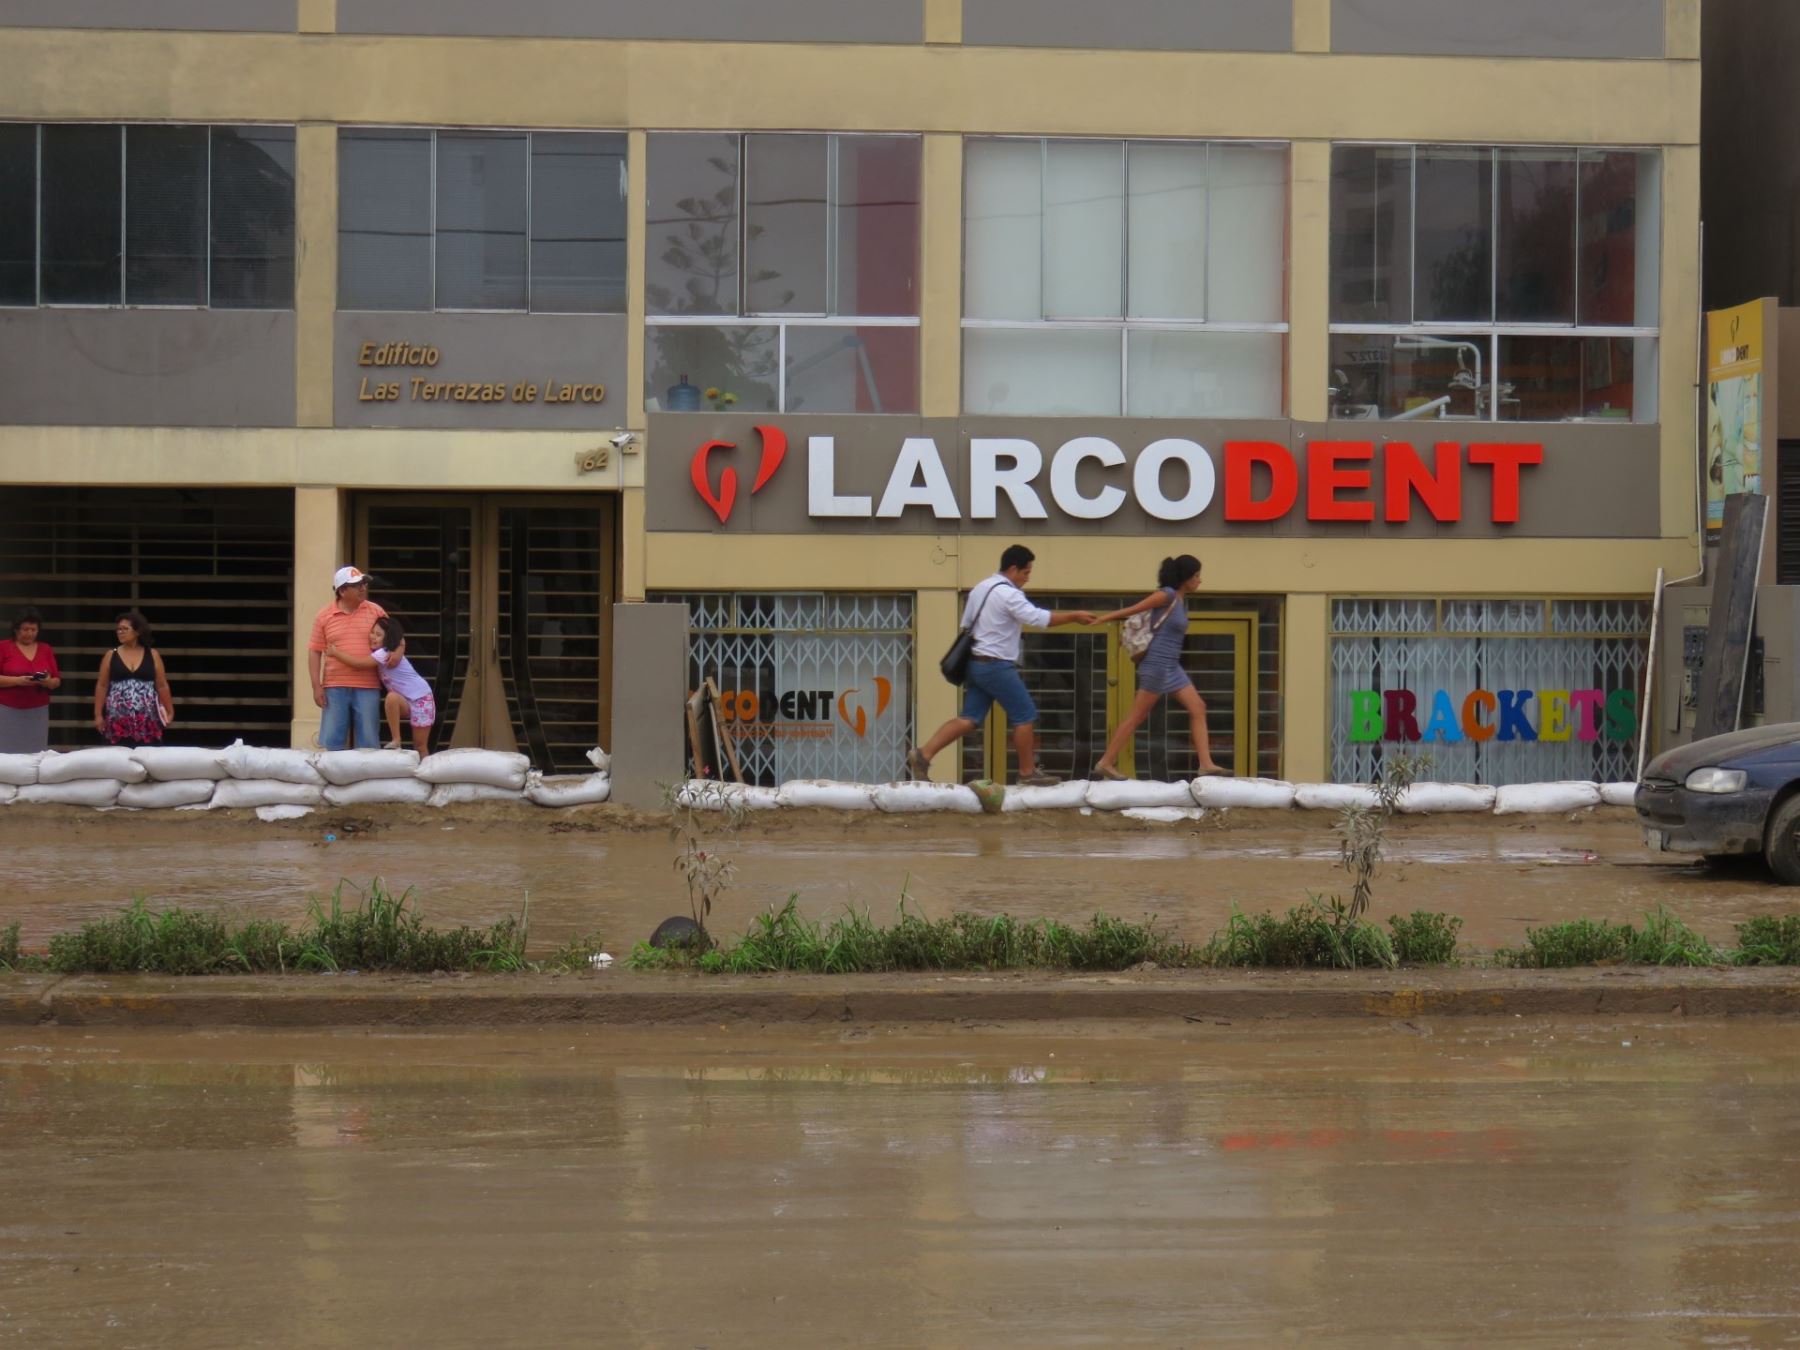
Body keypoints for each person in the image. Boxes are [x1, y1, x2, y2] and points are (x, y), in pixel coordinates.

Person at [906, 545, 1096, 787]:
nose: (1027, 579)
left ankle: (923, 754)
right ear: (1014, 569)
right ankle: (1028, 773)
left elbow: (967, 623)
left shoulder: (981, 588)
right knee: (1025, 714)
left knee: (970, 718)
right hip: (996, 664)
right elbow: (1037, 618)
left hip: (975, 663)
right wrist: (1073, 616)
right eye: (1026, 573)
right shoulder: (1009, 594)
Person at [1088, 554, 1228, 780]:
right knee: (1137, 716)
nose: (1200, 581)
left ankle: (1206, 764)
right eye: (1196, 576)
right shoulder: (1167, 595)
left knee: (1198, 708)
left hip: (1172, 667)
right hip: (1156, 665)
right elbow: (1134, 609)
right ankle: (1105, 762)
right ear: (1185, 578)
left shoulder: (1180, 600)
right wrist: (1104, 619)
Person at [307, 566, 388, 751]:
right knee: (332, 741)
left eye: (363, 583)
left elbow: (394, 639)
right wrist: (316, 686)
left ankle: (367, 778)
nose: (363, 588)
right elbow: (314, 651)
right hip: (334, 686)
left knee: (368, 742)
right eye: (356, 585)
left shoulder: (376, 611)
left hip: (368, 684)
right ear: (342, 591)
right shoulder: (324, 616)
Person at [327, 614, 433, 755]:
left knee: (420, 745)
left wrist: (335, 653)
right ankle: (396, 739)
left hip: (421, 698)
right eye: (372, 632)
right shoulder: (384, 652)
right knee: (392, 698)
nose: (372, 637)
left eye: (378, 634)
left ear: (388, 638)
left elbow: (359, 664)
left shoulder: (384, 653)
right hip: (406, 700)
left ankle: (424, 769)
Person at [92, 610, 173, 748]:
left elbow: (161, 685)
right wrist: (98, 714)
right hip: (117, 719)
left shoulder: (152, 655)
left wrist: (170, 710)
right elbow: (102, 685)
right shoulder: (111, 655)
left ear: (137, 631)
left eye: (125, 629)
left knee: (149, 756)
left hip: (148, 718)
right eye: (118, 629)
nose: (120, 632)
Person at [0, 606, 61, 754]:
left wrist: (47, 681)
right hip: (8, 709)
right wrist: (18, 681)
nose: (29, 633)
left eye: (33, 630)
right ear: (16, 629)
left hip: (37, 709)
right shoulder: (3, 647)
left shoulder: (45, 649)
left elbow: (56, 680)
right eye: (25, 629)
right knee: (7, 751)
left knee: (36, 752)